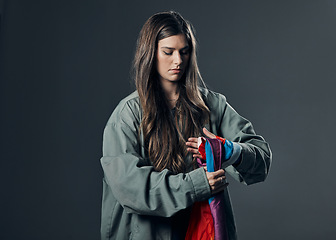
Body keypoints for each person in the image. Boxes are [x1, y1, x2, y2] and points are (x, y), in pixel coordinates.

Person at [100, 11, 272, 240]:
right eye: (168, 52)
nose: (178, 60)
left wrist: (229, 150)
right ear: (150, 53)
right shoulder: (127, 114)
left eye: (184, 51)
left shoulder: (212, 105)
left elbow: (261, 159)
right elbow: (130, 188)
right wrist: (196, 184)